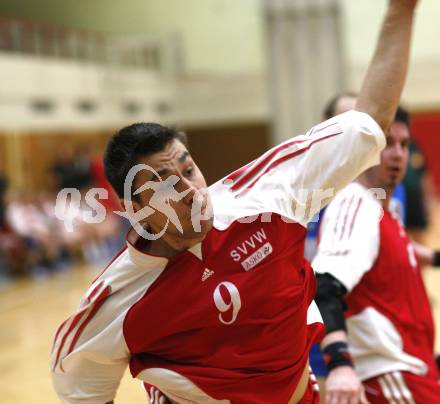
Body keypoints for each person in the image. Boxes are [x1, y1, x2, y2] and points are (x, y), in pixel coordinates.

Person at [50, 1, 420, 402]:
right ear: (136, 212)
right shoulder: (115, 300)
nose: (190, 192)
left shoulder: (265, 194)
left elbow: (369, 121)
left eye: (188, 170)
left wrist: (402, 8)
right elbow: (81, 389)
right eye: (164, 188)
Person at [313, 104, 440, 404]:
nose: (397, 154)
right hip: (390, 377)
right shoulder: (355, 202)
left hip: (414, 371)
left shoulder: (383, 211)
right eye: (387, 143)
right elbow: (325, 285)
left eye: (404, 144)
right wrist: (340, 365)